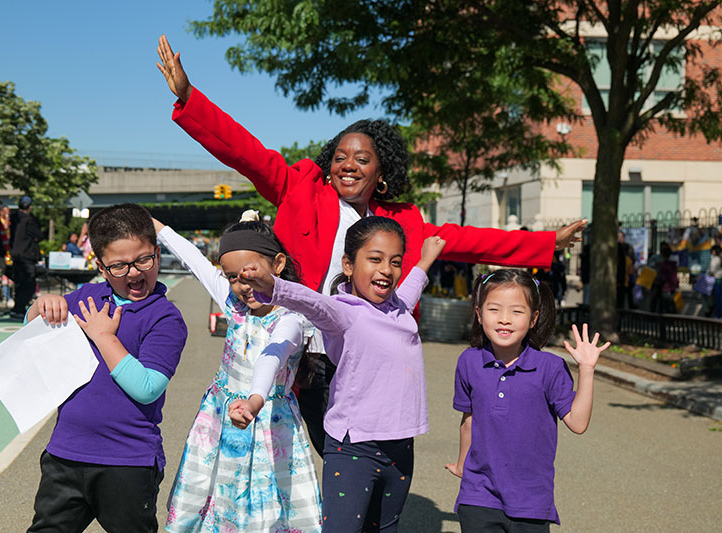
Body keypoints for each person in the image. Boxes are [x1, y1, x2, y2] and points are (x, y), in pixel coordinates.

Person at [156, 33, 588, 456]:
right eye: (340, 157)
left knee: (360, 454)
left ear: (380, 173)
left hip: (368, 354)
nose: (348, 165)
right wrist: (190, 96)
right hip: (303, 351)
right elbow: (245, 152)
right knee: (311, 451)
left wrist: (548, 242)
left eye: (362, 159)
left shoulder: (402, 221)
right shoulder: (299, 189)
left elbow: (468, 241)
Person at [242, 216, 446, 532]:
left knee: (385, 528)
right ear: (348, 265)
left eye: (395, 262)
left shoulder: (397, 310)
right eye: (375, 259)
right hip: (355, 451)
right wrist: (272, 285)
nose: (387, 270)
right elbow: (312, 303)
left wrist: (425, 260)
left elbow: (410, 289)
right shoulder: (344, 312)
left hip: (401, 448)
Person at [26, 203, 187, 533]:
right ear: (101, 267)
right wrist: (40, 307)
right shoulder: (86, 297)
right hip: (64, 454)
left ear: (156, 253)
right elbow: (30, 331)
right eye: (118, 266)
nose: (134, 273)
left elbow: (146, 388)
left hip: (127, 461)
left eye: (143, 259)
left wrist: (103, 337)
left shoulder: (165, 318)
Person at [156, 211, 321, 532]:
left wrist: (255, 400)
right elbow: (195, 261)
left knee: (267, 499)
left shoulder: (290, 318)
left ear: (278, 264)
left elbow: (272, 357)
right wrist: (158, 228)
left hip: (270, 420)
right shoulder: (234, 303)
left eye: (249, 274)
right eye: (232, 277)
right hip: (219, 417)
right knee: (215, 489)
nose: (241, 285)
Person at [445, 269, 610, 531]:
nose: (505, 320)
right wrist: (462, 464)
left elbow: (578, 424)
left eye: (516, 312)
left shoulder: (550, 368)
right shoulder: (469, 361)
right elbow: (468, 421)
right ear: (479, 314)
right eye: (494, 310)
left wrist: (587, 370)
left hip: (531, 501)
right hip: (478, 495)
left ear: (533, 318)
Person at [9, 196, 44, 321]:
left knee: (19, 283)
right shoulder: (29, 220)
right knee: (28, 283)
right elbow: (39, 235)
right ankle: (19, 308)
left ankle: (17, 308)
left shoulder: (13, 219)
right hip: (27, 255)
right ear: (29, 207)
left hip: (16, 254)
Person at [709, 245, 722, 318]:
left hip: (717, 280)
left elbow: (712, 271)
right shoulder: (720, 257)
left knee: (718, 298)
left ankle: (719, 315)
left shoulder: (715, 259)